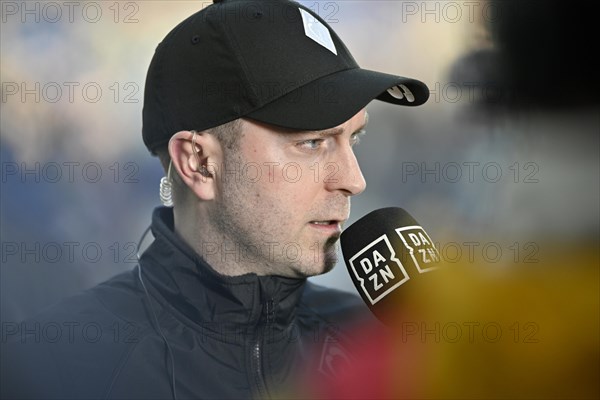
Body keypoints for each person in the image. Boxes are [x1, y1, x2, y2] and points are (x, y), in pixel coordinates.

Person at [1, 0, 429, 398]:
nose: (354, 180)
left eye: (355, 137)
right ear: (199, 163)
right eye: (313, 142)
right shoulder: (51, 366)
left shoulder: (384, 344)